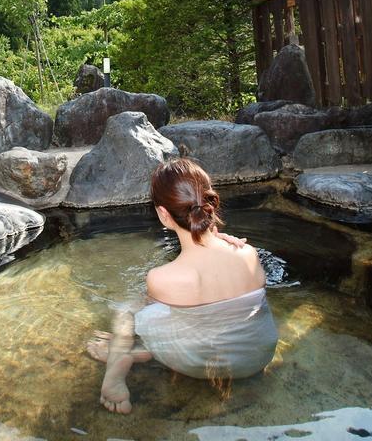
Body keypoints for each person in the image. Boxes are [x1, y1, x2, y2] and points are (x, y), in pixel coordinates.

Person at [88, 158, 278, 414]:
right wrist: (218, 238)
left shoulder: (162, 278)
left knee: (129, 309)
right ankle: (141, 353)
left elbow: (165, 310)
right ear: (210, 202)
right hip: (257, 357)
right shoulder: (249, 253)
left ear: (164, 214)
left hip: (196, 364)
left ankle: (115, 371)